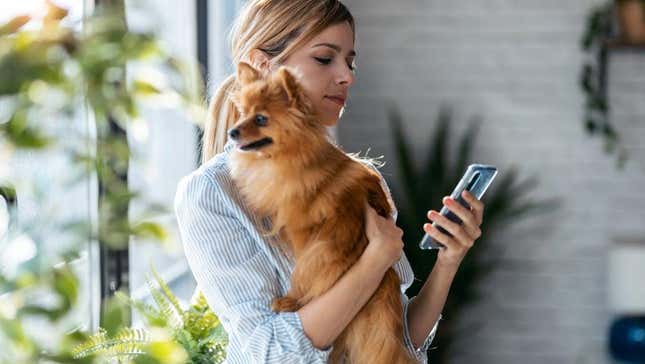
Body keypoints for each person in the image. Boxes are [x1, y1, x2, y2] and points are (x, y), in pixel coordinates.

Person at [174, 1, 486, 363]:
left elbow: (398, 338)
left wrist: (449, 260)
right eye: (325, 59)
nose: (347, 76)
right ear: (263, 66)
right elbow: (269, 353)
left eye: (350, 62)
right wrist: (373, 261)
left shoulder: (362, 182)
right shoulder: (212, 195)